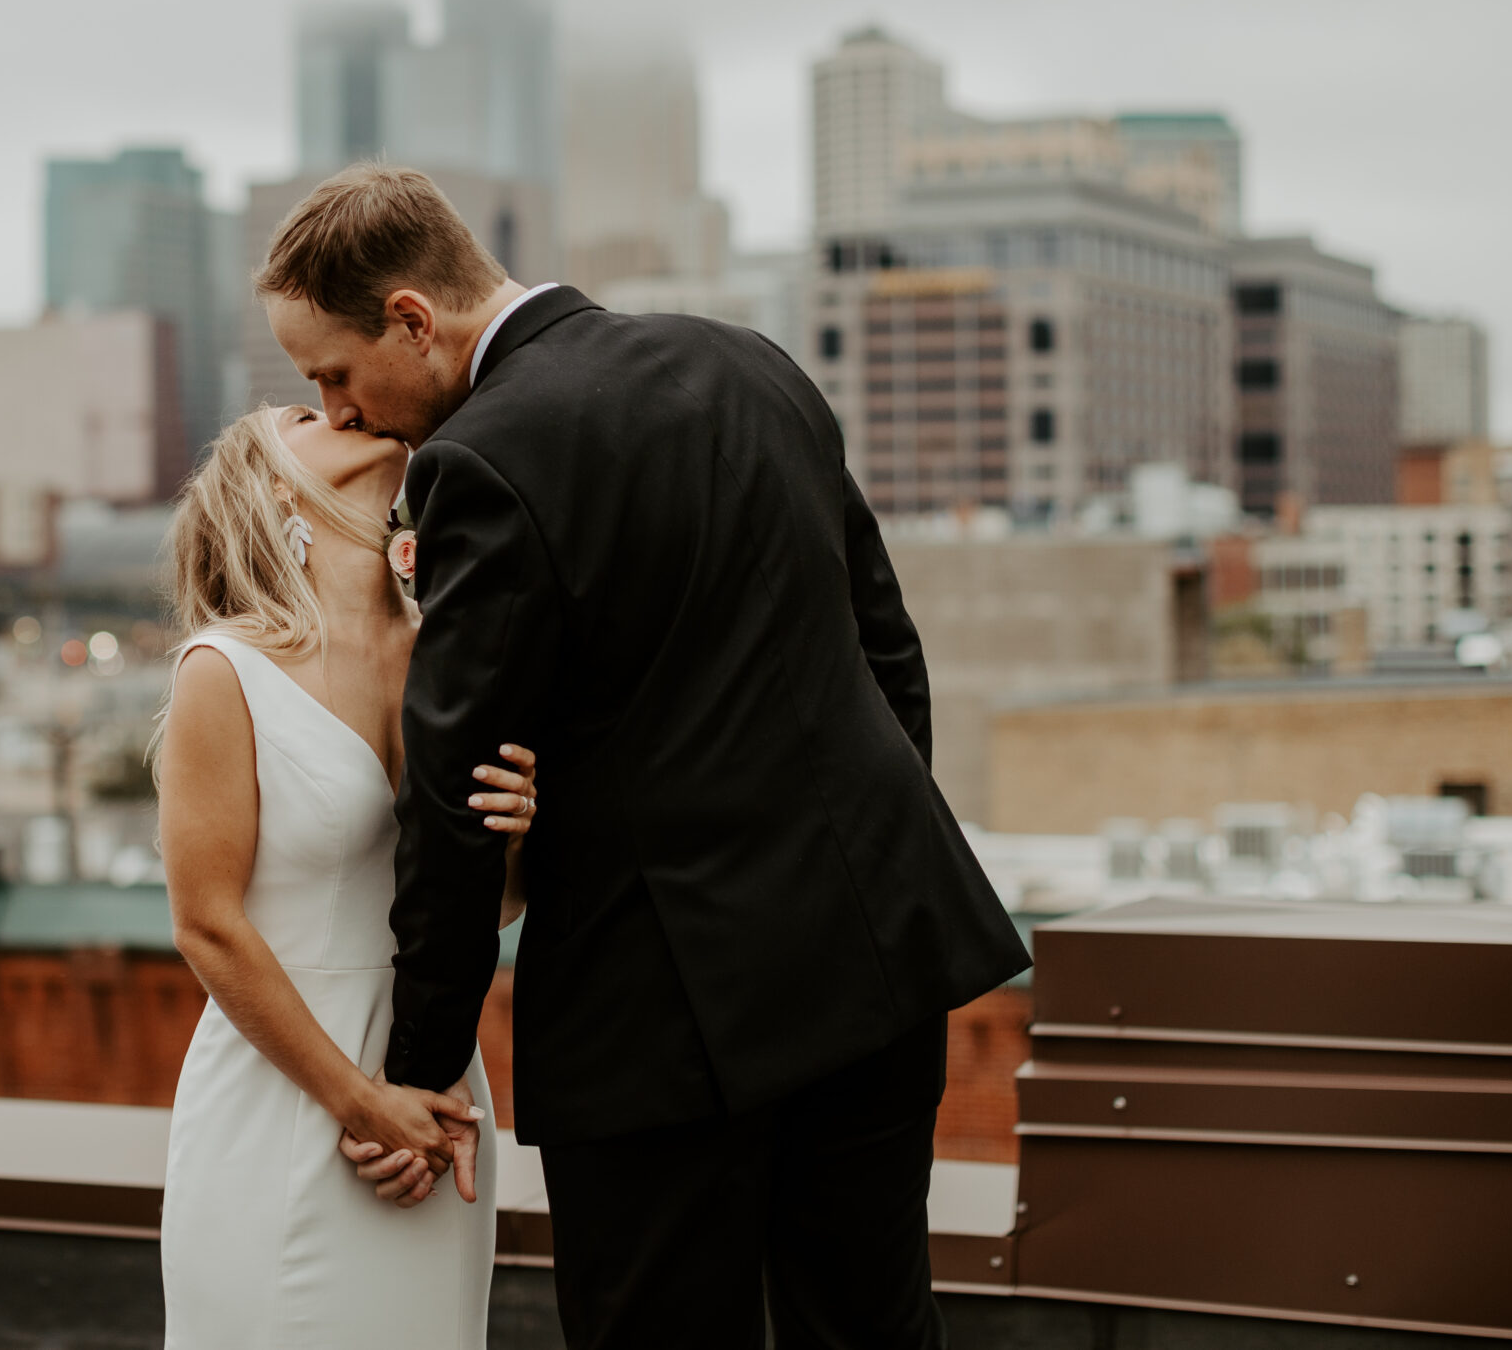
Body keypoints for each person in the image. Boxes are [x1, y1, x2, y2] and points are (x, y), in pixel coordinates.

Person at [257, 163, 1031, 1349]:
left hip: (659, 1009)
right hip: (874, 950)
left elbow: (457, 800)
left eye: (335, 374)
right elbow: (887, 653)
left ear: (413, 318)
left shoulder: (480, 461)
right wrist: (861, 858)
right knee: (872, 1324)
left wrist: (418, 1069)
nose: (341, 409)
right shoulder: (752, 362)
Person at [156, 400, 540, 1349]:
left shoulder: (444, 655)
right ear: (274, 484)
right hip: (282, 1095)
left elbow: (484, 908)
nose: (344, 407)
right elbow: (206, 924)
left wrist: (521, 831)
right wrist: (359, 1101)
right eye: (304, 412)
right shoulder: (225, 670)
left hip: (435, 1092)